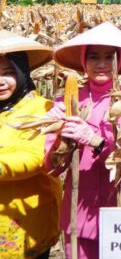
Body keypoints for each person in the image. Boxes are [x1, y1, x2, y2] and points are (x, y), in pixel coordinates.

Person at [44, 22, 121, 259]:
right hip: (81, 208)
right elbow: (52, 167)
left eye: (110, 56)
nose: (102, 64)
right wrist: (60, 139)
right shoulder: (65, 102)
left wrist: (96, 141)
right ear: (84, 61)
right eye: (94, 57)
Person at [0, 32, 60, 259]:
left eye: (8, 73)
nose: (1, 81)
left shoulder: (42, 109)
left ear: (22, 72)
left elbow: (36, 157)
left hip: (26, 222)